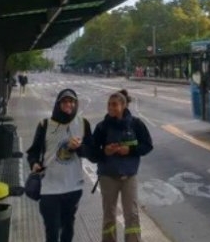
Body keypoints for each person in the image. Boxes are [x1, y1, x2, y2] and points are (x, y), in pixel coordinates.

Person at [26, 88, 93, 242]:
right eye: (65, 101)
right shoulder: (45, 125)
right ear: (58, 104)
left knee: (68, 226)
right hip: (49, 187)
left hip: (73, 187)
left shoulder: (83, 124)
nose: (68, 104)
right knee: (52, 228)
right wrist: (34, 163)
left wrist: (79, 148)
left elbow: (92, 153)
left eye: (71, 101)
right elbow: (33, 152)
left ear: (75, 104)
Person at [91, 89, 153, 242]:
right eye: (109, 105)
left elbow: (148, 146)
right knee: (109, 215)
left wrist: (130, 150)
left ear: (123, 106)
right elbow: (92, 152)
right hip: (107, 177)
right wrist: (104, 151)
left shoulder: (136, 124)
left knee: (131, 214)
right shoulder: (102, 127)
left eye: (115, 105)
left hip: (129, 177)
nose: (111, 108)